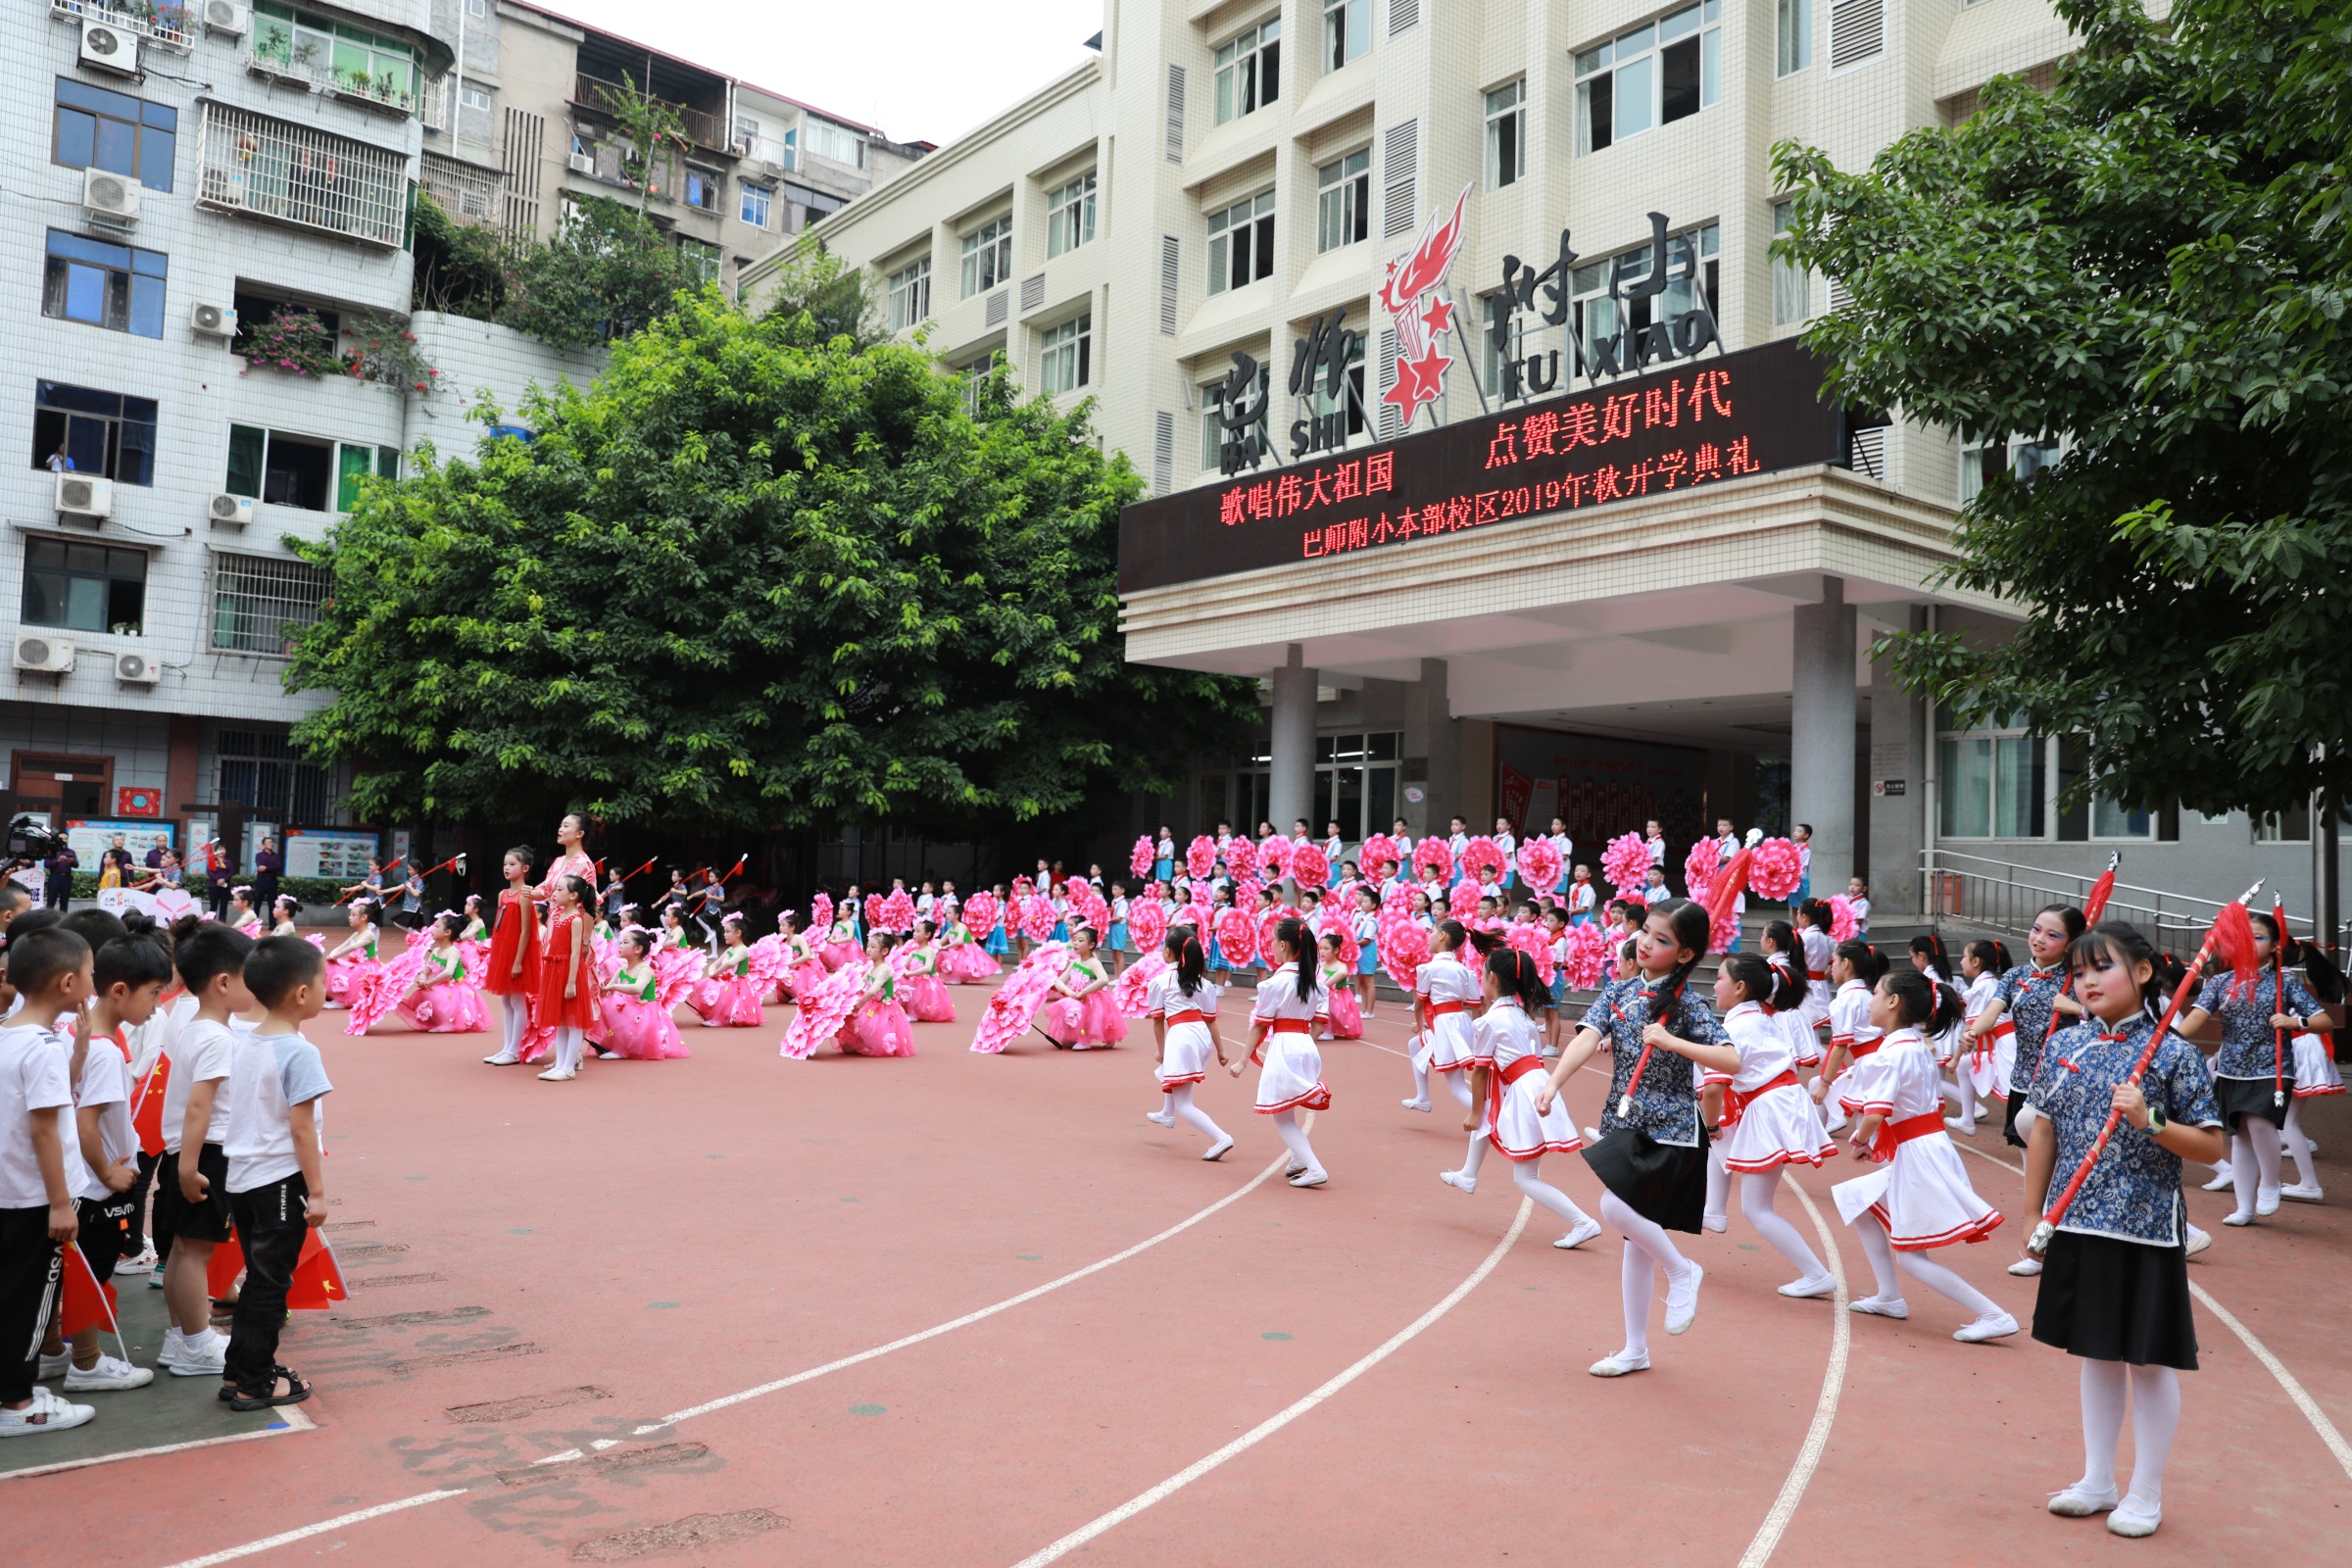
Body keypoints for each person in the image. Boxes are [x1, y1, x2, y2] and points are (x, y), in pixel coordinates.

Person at [2027, 922, 2227, 1539]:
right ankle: (2097, 1479)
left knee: (2146, 1361)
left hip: (2144, 1229)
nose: (2085, 980)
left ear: (2142, 973)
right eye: (2079, 971)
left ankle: (2145, 1491)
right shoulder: (2069, 1048)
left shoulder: (2173, 1053)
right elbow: (2042, 1131)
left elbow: (2211, 1146)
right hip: (2077, 1224)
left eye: (2101, 967)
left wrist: (2150, 1119)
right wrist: (2036, 1215)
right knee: (2095, 1353)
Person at [1536, 899, 1720, 1378]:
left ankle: (1682, 1270)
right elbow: (1583, 1038)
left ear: (1684, 955)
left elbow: (1732, 1060)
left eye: (1662, 940)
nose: (1646, 943)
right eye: (1646, 933)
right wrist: (1554, 1083)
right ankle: (1635, 1349)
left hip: (1673, 1130)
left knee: (1616, 1210)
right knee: (1634, 1239)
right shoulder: (1618, 993)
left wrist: (1675, 1042)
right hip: (1626, 1122)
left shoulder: (1688, 1003)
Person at [1833, 967, 2016, 1342]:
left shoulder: (1893, 1052)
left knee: (1911, 1256)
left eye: (1876, 993)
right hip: (1923, 1147)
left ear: (1893, 1002)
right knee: (1859, 1200)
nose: (1870, 1001)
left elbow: (1877, 1111)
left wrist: (1862, 1140)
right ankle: (1889, 1296)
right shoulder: (1914, 1045)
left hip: (1918, 1154)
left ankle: (1994, 1314)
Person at [57, 921, 170, 1392]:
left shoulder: (72, 1030)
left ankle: (50, 1351)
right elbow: (86, 1122)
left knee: (69, 1273)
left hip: (76, 1180)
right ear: (119, 990)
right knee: (90, 1273)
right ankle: (85, 1362)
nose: (157, 1004)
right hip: (97, 1184)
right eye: (154, 993)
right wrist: (109, 1172)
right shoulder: (103, 1052)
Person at [2173, 912, 2340, 1225]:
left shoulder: (2284, 982)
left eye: (2258, 937)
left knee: (2260, 1123)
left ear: (2275, 945)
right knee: (2240, 1136)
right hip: (2232, 1068)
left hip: (2272, 1067)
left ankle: (2271, 1182)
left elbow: (2324, 1021)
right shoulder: (2221, 982)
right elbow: (2196, 1017)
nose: (2248, 944)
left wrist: (2295, 1022)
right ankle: (2244, 1207)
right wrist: (2167, 1038)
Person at [219, 936, 329, 1411]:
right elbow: (302, 1127)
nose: (326, 989)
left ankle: (239, 1371)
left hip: (243, 1176)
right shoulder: (299, 1052)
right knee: (270, 1283)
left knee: (260, 1278)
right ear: (302, 994)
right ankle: (254, 1382)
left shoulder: (247, 1040)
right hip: (279, 1179)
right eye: (322, 982)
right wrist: (319, 1192)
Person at [1439, 938, 1603, 1250]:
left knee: (1525, 1178)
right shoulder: (1523, 1016)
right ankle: (1468, 1174)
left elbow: (1481, 1070)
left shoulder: (1489, 1021)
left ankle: (1584, 1222)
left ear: (1491, 979)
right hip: (1535, 1083)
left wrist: (1474, 1111)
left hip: (1525, 1090)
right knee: (1493, 1118)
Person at [0, 926, 97, 1435]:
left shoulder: (7, 1032)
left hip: (7, 1191)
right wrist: (61, 1203)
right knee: (29, 1299)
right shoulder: (41, 1047)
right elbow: (44, 1130)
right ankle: (17, 1404)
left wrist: (77, 1050)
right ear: (66, 983)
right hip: (36, 1197)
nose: (92, 982)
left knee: (7, 1292)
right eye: (89, 974)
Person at [1961, 903, 2090, 1274]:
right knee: (2032, 1168)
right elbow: (1994, 1010)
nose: (2040, 939)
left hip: (2068, 1082)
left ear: (2071, 943)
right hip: (2026, 1080)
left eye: (2053, 934)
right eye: (2036, 929)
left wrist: (2075, 1007)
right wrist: (1975, 1031)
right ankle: (2039, 1246)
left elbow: (2108, 1018)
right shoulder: (2016, 975)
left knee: (2076, 1165)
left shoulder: (2082, 977)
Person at [151, 920, 252, 1380]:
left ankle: (181, 1337)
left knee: (180, 1251)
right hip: (205, 1155)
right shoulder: (217, 1038)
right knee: (195, 1253)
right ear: (224, 982)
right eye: (250, 977)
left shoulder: (193, 1026)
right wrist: (192, 1169)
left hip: (185, 1153)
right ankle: (196, 1343)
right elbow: (199, 1107)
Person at [1706, 953, 1837, 1298]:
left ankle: (1816, 1273)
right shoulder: (1762, 1019)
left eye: (1720, 977)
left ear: (1739, 986)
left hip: (1770, 1106)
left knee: (1757, 1207)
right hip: (1778, 1101)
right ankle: (1713, 1210)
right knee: (1724, 1147)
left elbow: (1714, 1089)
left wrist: (1710, 1125)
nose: (1714, 984)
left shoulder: (1735, 1027)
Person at [1230, 917, 1330, 1188]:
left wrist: (1242, 1061)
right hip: (1306, 1044)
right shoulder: (1316, 982)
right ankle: (1299, 1159)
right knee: (1289, 1105)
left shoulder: (1274, 984)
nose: (1271, 945)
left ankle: (1314, 1167)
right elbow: (1319, 1022)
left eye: (1273, 940)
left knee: (1282, 1117)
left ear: (1283, 944)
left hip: (1285, 1045)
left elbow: (1260, 1025)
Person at [1144, 928, 1234, 1158]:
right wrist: (1221, 1051)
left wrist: (1161, 1050)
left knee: (1185, 1102)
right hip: (1201, 1036)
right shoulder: (1205, 984)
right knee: (1172, 1073)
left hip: (1181, 1036)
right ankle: (1166, 1112)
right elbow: (1211, 1021)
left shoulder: (1160, 982)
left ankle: (1221, 1137)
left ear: (1168, 951)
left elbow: (1158, 1021)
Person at [1402, 919, 1480, 1115]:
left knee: (1458, 1088)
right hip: (1459, 1021)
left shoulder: (1428, 969)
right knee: (1415, 1044)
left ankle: (1492, 1118)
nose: (1428, 936)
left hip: (1447, 1025)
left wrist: (1419, 1025)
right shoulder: (1464, 970)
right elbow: (1475, 1004)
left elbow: (1420, 1002)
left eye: (1432, 931)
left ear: (1442, 935)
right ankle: (1422, 1098)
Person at [1811, 939, 1886, 1134]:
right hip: (1876, 1059)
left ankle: (1828, 1124)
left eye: (1833, 962)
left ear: (1845, 963)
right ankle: (1822, 1131)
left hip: (1870, 1064)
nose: (1831, 968)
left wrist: (1825, 1085)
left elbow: (1840, 1046)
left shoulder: (1844, 1001)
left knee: (1868, 1139)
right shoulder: (1868, 995)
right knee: (1870, 1136)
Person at [480, 848, 543, 1068]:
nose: (507, 868)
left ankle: (514, 1050)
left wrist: (517, 961)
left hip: (518, 953)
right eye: (505, 864)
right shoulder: (502, 894)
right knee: (506, 1000)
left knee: (517, 1001)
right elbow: (499, 926)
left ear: (525, 868)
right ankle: (507, 1047)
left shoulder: (526, 894)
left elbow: (526, 931)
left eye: (512, 864)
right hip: (502, 950)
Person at [531, 876, 597, 1082]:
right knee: (560, 1021)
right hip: (555, 969)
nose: (555, 893)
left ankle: (569, 1067)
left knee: (574, 1021)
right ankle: (560, 1064)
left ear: (573, 895)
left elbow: (576, 953)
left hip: (570, 972)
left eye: (559, 890)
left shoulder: (576, 919)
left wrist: (570, 982)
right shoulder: (558, 916)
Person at [597, 928, 688, 1061]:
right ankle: (620, 1044)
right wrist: (603, 987)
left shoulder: (645, 969)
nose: (620, 945)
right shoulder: (623, 968)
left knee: (610, 1004)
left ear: (638, 949)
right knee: (606, 1002)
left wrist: (614, 987)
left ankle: (621, 1049)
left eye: (625, 942)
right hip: (630, 1007)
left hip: (644, 1011)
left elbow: (637, 988)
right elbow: (610, 988)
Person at [395, 914, 489, 1034]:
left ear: (447, 932)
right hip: (439, 985)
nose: (433, 929)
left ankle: (448, 1023)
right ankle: (438, 1020)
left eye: (437, 926)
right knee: (423, 993)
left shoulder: (453, 952)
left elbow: (448, 972)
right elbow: (426, 969)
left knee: (438, 995)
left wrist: (429, 983)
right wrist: (422, 978)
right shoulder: (435, 951)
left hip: (454, 987)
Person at [1041, 926, 1124, 1050]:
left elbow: (1104, 979)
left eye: (1080, 941)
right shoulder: (1075, 962)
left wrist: (1084, 992)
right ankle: (1077, 1035)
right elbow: (1059, 981)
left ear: (1091, 945)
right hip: (1076, 997)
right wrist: (1067, 990)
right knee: (1068, 1016)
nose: (1075, 943)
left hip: (1092, 1000)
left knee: (1090, 1016)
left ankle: (1085, 1039)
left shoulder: (1094, 963)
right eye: (1075, 940)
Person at [838, 932, 916, 1057]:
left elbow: (873, 990)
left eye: (873, 947)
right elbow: (859, 984)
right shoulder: (871, 968)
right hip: (870, 1005)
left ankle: (870, 1044)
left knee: (873, 1035)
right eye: (868, 946)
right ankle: (864, 1043)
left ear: (884, 951)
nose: (868, 949)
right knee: (849, 1039)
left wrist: (858, 1006)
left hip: (883, 1009)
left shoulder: (884, 969)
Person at [687, 915, 764, 1029]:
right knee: (711, 988)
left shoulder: (743, 950)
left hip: (739, 983)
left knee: (726, 999)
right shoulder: (730, 949)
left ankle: (718, 1019)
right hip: (727, 980)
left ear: (738, 933)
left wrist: (716, 973)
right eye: (724, 931)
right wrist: (712, 973)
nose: (724, 934)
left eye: (728, 931)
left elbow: (730, 963)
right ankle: (715, 1017)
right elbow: (714, 964)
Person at [320, 899, 383, 1009]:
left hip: (366, 966)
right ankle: (335, 997)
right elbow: (344, 944)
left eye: (353, 915)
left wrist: (336, 955)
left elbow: (353, 946)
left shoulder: (368, 934)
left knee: (349, 975)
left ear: (364, 917)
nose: (349, 917)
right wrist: (333, 954)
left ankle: (341, 1000)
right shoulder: (356, 933)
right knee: (329, 966)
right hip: (354, 963)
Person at [1317, 934, 1361, 1040]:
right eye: (1320, 948)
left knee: (1325, 998)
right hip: (1324, 993)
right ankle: (1320, 1028)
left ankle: (1327, 1031)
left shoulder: (1340, 966)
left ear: (1336, 950)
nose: (1322, 951)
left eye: (1326, 948)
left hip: (1338, 998)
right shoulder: (1320, 965)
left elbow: (1342, 973)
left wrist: (1323, 986)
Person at [251, 837, 282, 913]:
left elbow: (278, 867)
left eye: (272, 842)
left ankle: (272, 924)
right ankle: (255, 922)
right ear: (263, 845)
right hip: (262, 880)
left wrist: (266, 868)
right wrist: (272, 868)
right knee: (258, 901)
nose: (271, 844)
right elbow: (260, 868)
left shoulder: (276, 856)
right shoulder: (259, 855)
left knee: (272, 903)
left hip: (273, 880)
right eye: (268, 842)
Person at [1790, 824, 1814, 905]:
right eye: (1795, 831)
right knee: (1793, 904)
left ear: (1806, 835)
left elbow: (1802, 865)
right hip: (1792, 879)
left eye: (1799, 831)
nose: (1795, 833)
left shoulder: (1806, 850)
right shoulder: (1793, 847)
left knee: (1801, 905)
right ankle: (1793, 918)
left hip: (1801, 879)